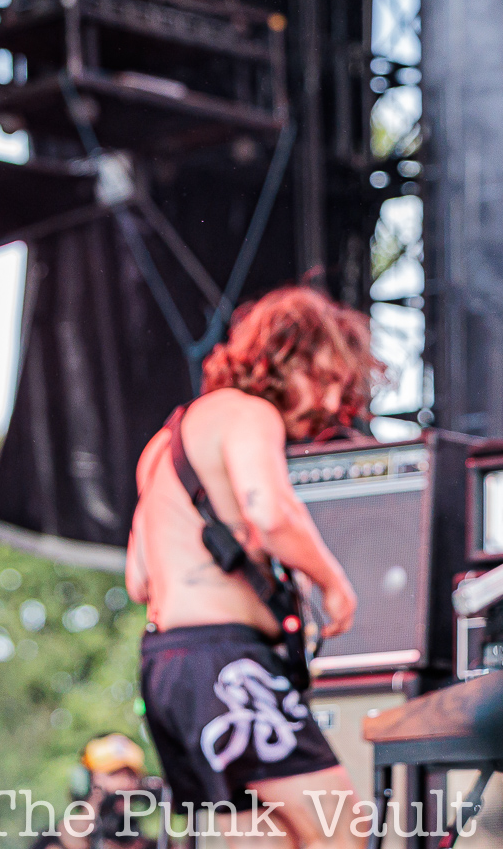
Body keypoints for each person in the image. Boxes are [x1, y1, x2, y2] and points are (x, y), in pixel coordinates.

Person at [127, 286, 374, 848]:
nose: (332, 402)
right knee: (340, 830)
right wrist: (334, 583)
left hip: (167, 670)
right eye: (324, 378)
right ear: (283, 357)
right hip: (226, 663)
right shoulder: (247, 412)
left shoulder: (160, 448)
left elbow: (138, 579)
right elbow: (270, 512)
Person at [27, 734, 152, 849]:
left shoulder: (139, 842)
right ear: (86, 780)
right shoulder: (58, 840)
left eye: (131, 775)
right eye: (113, 773)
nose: (125, 783)